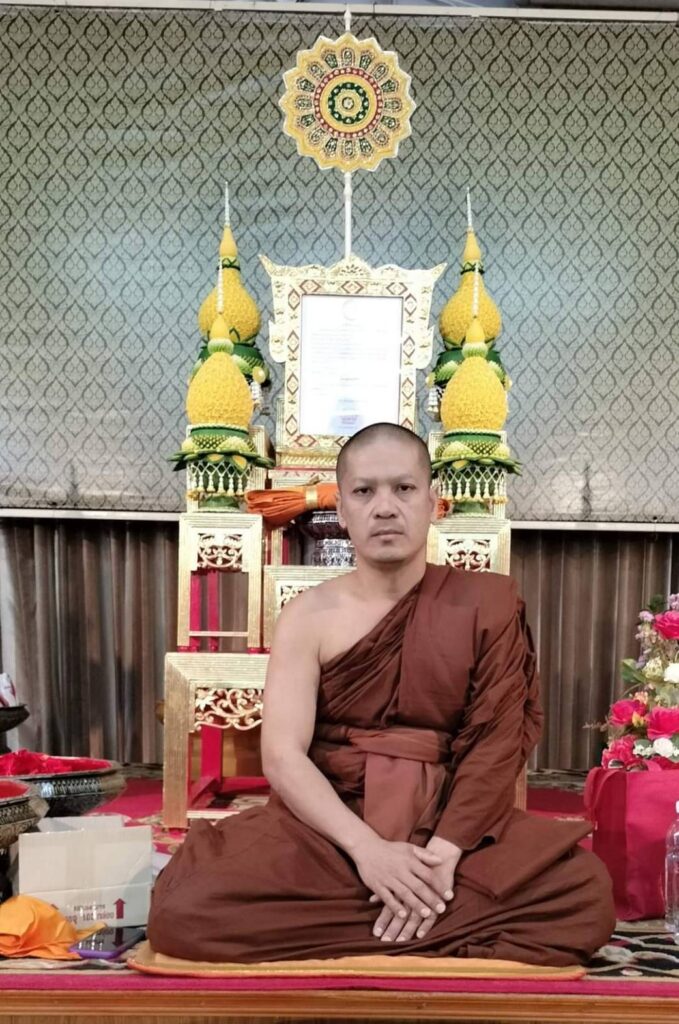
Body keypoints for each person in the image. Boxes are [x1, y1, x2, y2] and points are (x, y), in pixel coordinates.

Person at [147, 423, 615, 965]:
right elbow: (282, 755)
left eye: (404, 488)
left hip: (447, 822)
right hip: (332, 829)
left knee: (585, 895)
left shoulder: (486, 603)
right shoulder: (307, 616)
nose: (385, 507)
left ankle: (399, 909)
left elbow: (497, 742)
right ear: (342, 510)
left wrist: (440, 857)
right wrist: (368, 852)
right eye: (364, 491)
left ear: (433, 503)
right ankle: (429, 922)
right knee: (185, 908)